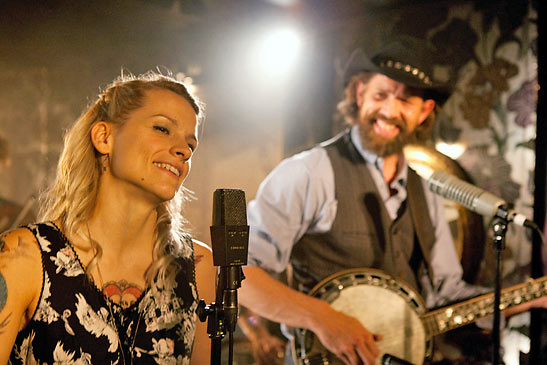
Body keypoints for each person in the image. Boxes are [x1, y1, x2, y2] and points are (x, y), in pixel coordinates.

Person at [239, 39, 546, 365]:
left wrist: (531, 297)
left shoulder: (425, 191)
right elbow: (237, 273)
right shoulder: (308, 173)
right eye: (380, 95)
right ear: (359, 95)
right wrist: (320, 317)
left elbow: (448, 294)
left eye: (406, 100)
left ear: (424, 111)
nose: (389, 111)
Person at [0, 72, 216, 364]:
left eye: (190, 145)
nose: (182, 151)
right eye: (162, 129)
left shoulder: (197, 267)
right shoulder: (23, 257)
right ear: (104, 137)